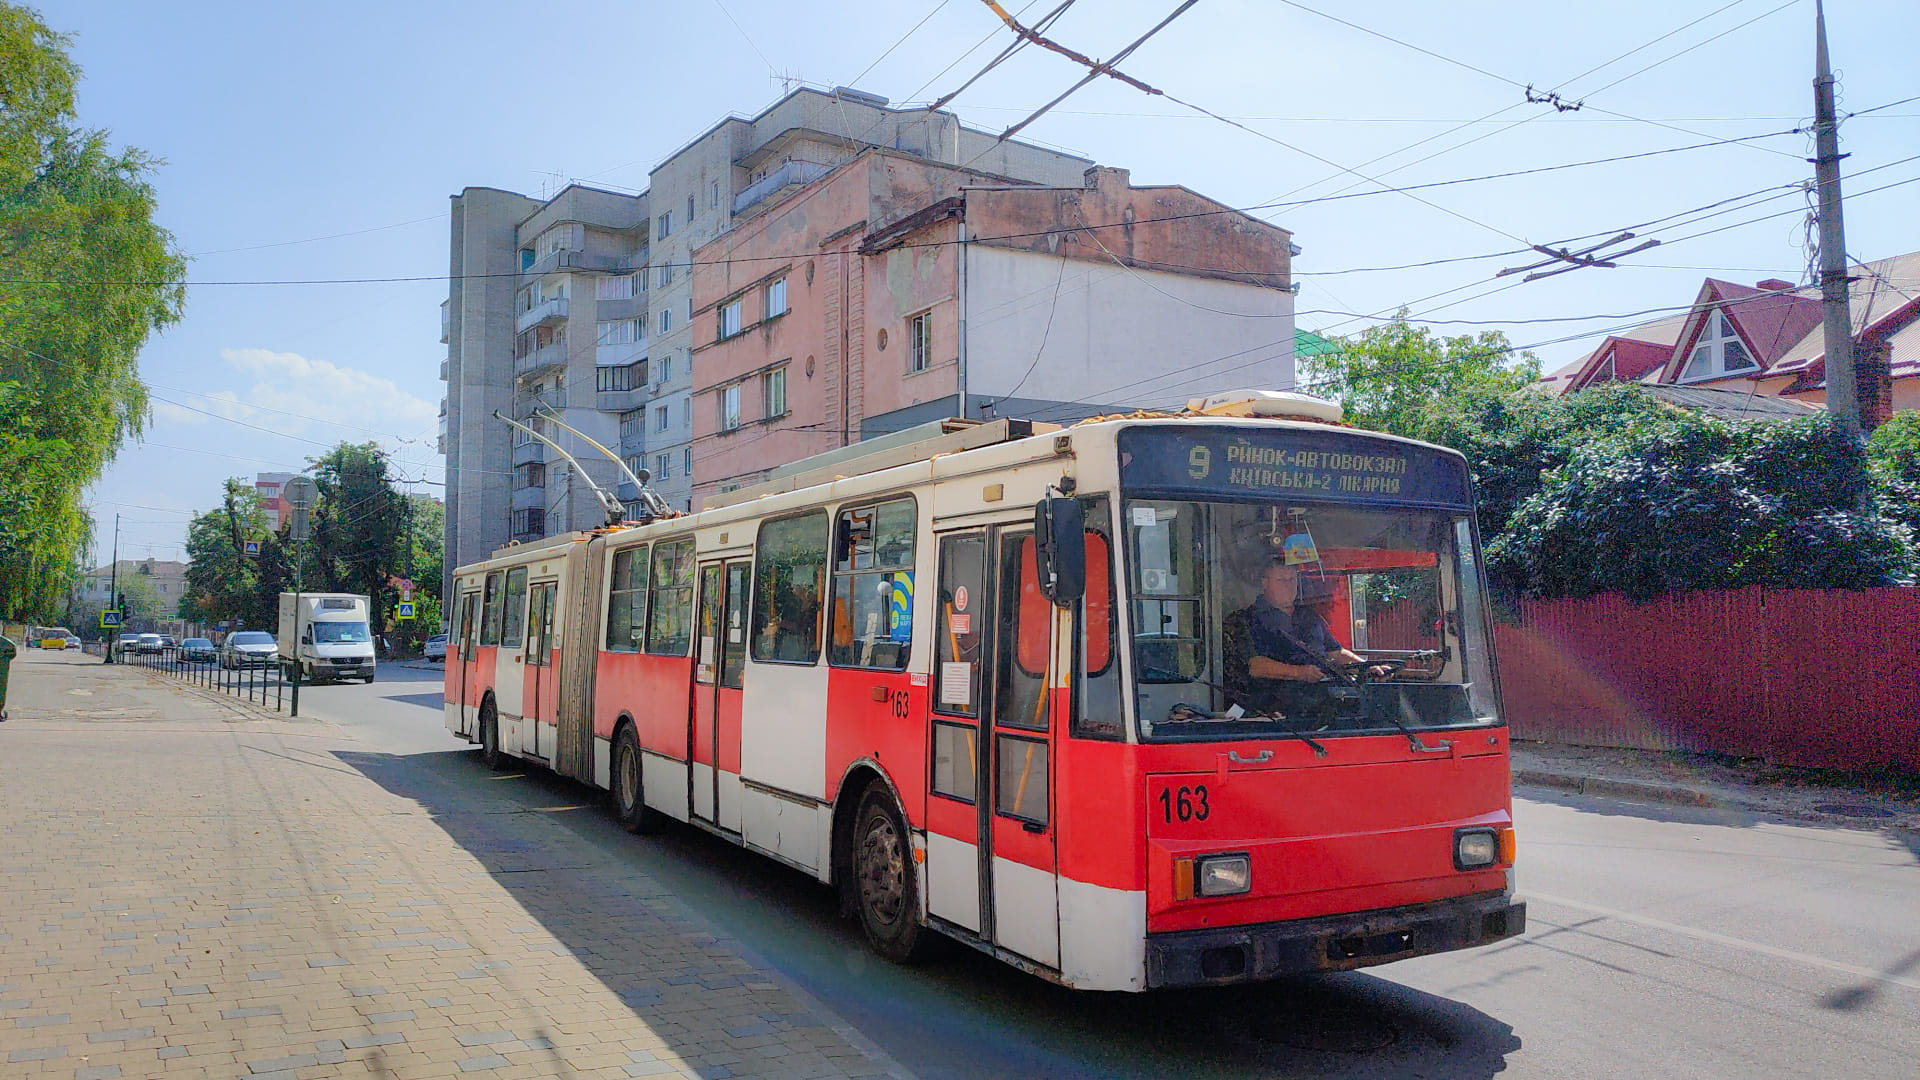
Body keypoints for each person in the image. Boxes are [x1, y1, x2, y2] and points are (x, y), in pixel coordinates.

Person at [1222, 558, 1384, 714]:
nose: (1288, 586)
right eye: (1281, 580)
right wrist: (1300, 673)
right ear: (1265, 583)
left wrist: (1368, 667)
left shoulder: (1309, 616)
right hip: (1275, 715)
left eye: (1292, 580)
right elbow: (1256, 667)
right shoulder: (1245, 620)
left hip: (1321, 706)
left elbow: (1336, 652)